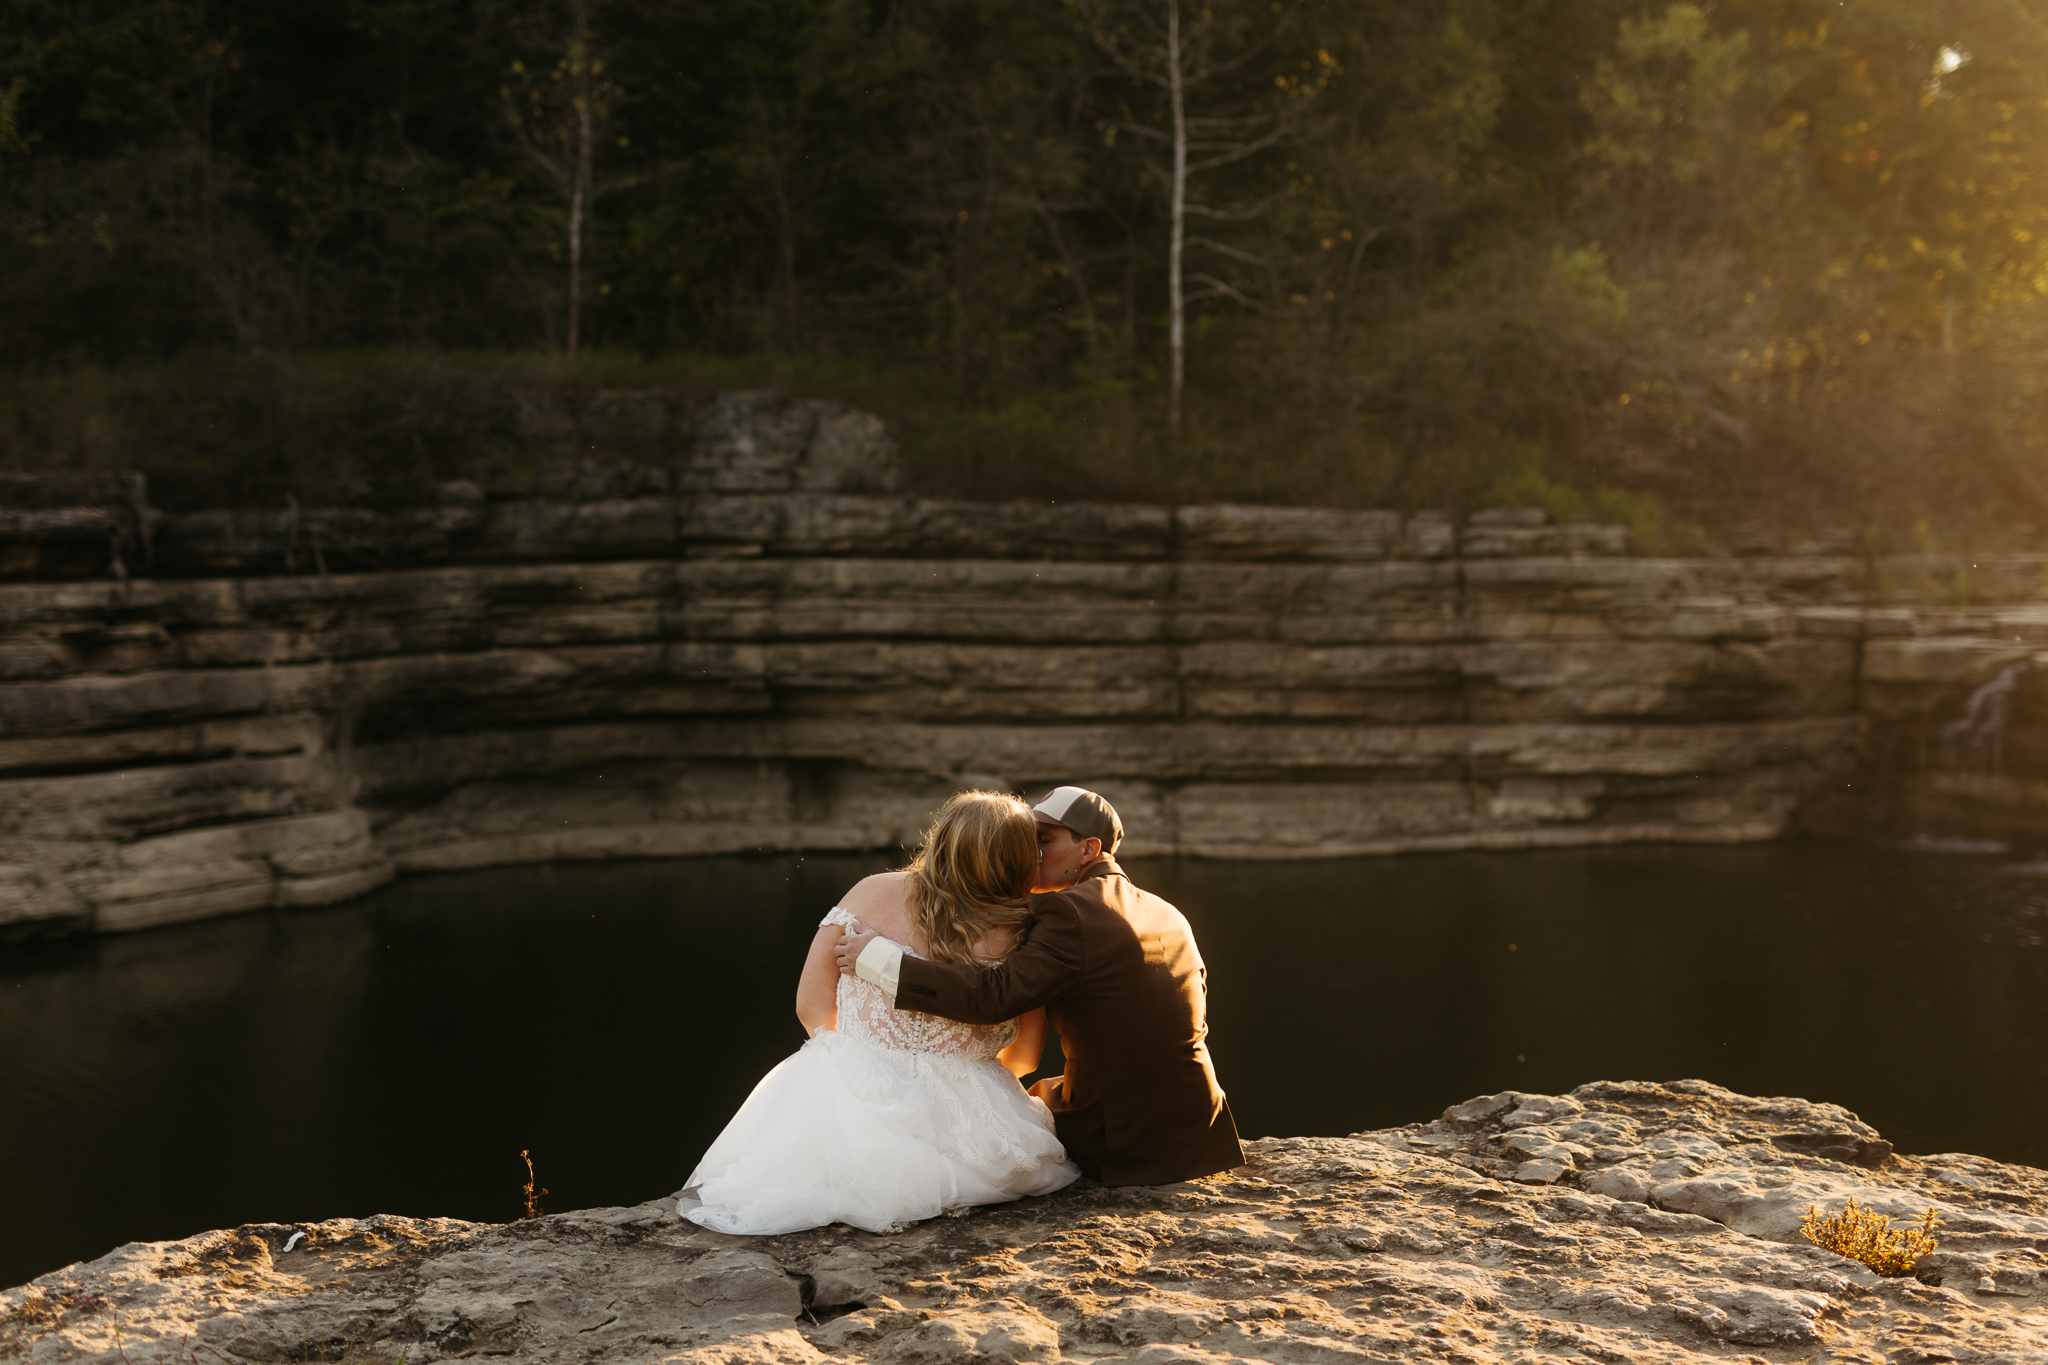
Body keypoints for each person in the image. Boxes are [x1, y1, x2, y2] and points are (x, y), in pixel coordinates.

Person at [677, 790, 1080, 1235]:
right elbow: (1024, 1059)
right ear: (1018, 858)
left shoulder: (870, 892)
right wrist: (965, 1086)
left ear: (942, 839)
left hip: (856, 1090)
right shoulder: (1022, 933)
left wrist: (857, 1068)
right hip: (976, 1121)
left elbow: (810, 1007)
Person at [836, 786, 1243, 1186]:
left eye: (1044, 841)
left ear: (1088, 850)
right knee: (1028, 1097)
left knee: (995, 1129)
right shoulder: (1166, 911)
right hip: (1199, 1126)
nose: (1030, 854)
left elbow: (994, 996)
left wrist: (881, 960)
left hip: (1124, 1139)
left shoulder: (1071, 911)